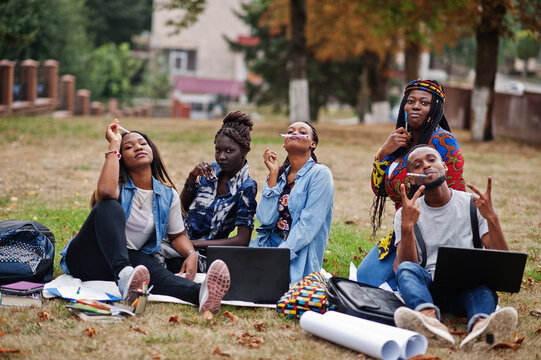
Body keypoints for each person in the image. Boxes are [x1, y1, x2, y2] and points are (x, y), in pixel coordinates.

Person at [59, 119, 230, 314]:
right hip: (88, 257)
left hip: (130, 262)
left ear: (152, 150)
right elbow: (106, 192)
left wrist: (191, 254)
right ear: (120, 157)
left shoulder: (167, 195)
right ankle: (124, 276)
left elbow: (177, 235)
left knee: (155, 273)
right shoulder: (116, 187)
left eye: (142, 143)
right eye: (128, 147)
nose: (137, 147)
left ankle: (202, 294)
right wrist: (114, 143)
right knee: (109, 206)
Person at [393, 145, 517, 349]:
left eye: (431, 160)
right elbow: (408, 265)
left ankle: (480, 326)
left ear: (445, 167)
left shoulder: (472, 204)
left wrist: (492, 218)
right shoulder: (406, 212)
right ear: (413, 178)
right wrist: (407, 228)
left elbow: (503, 261)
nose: (426, 165)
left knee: (484, 289)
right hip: (429, 289)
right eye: (418, 164)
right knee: (405, 269)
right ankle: (429, 319)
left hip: (469, 288)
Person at [357, 79, 465, 290]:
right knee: (366, 278)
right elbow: (379, 189)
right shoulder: (400, 142)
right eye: (411, 101)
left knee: (404, 283)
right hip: (404, 230)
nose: (416, 106)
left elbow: (453, 195)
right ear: (404, 106)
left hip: (437, 233)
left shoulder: (443, 142)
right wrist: (383, 153)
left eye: (424, 103)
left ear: (434, 109)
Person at [160, 111, 257, 272]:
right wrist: (192, 177)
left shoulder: (246, 187)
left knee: (170, 263)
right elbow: (180, 209)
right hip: (176, 240)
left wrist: (193, 244)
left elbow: (242, 240)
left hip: (204, 254)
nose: (221, 157)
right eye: (218, 150)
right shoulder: (209, 172)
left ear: (244, 152)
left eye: (229, 151)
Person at [249, 122, 334, 284]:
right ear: (284, 142)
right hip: (269, 245)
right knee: (241, 278)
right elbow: (266, 219)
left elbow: (309, 225)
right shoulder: (279, 174)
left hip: (300, 251)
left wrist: (279, 257)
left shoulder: (320, 174)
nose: (295, 133)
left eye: (302, 132)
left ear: (313, 144)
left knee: (279, 285)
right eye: (290, 131)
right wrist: (273, 174)